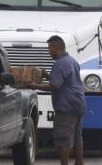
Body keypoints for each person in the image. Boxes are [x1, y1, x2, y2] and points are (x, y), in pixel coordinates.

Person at [27, 35, 86, 165]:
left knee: (63, 138)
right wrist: (48, 75)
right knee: (77, 136)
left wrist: (33, 86)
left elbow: (54, 86)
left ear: (56, 48)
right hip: (78, 104)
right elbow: (63, 81)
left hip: (67, 107)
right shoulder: (71, 60)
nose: (48, 51)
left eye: (49, 48)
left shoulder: (59, 64)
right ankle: (79, 162)